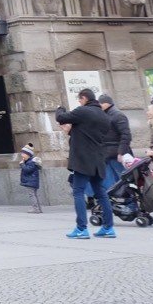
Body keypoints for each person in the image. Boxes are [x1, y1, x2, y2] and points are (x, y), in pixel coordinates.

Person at [55, 88, 115, 239]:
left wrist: (59, 108)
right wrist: (71, 132)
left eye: (79, 99)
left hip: (83, 160)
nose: (79, 102)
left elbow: (61, 118)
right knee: (101, 194)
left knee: (78, 192)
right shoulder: (104, 116)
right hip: (98, 160)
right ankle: (108, 228)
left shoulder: (83, 111)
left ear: (84, 98)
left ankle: (81, 228)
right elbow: (89, 134)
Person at [98, 93, 133, 191]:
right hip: (108, 155)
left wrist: (121, 152)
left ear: (107, 103)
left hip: (117, 155)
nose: (99, 106)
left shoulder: (118, 115)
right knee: (114, 183)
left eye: (101, 103)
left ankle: (130, 200)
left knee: (123, 181)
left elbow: (126, 135)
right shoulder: (106, 115)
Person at [17, 143, 42, 214]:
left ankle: (36, 208)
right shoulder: (29, 161)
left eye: (23, 154)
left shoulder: (31, 162)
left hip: (31, 182)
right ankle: (38, 208)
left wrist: (22, 164)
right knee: (34, 195)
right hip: (32, 181)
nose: (22, 155)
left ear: (28, 155)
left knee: (32, 195)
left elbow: (27, 170)